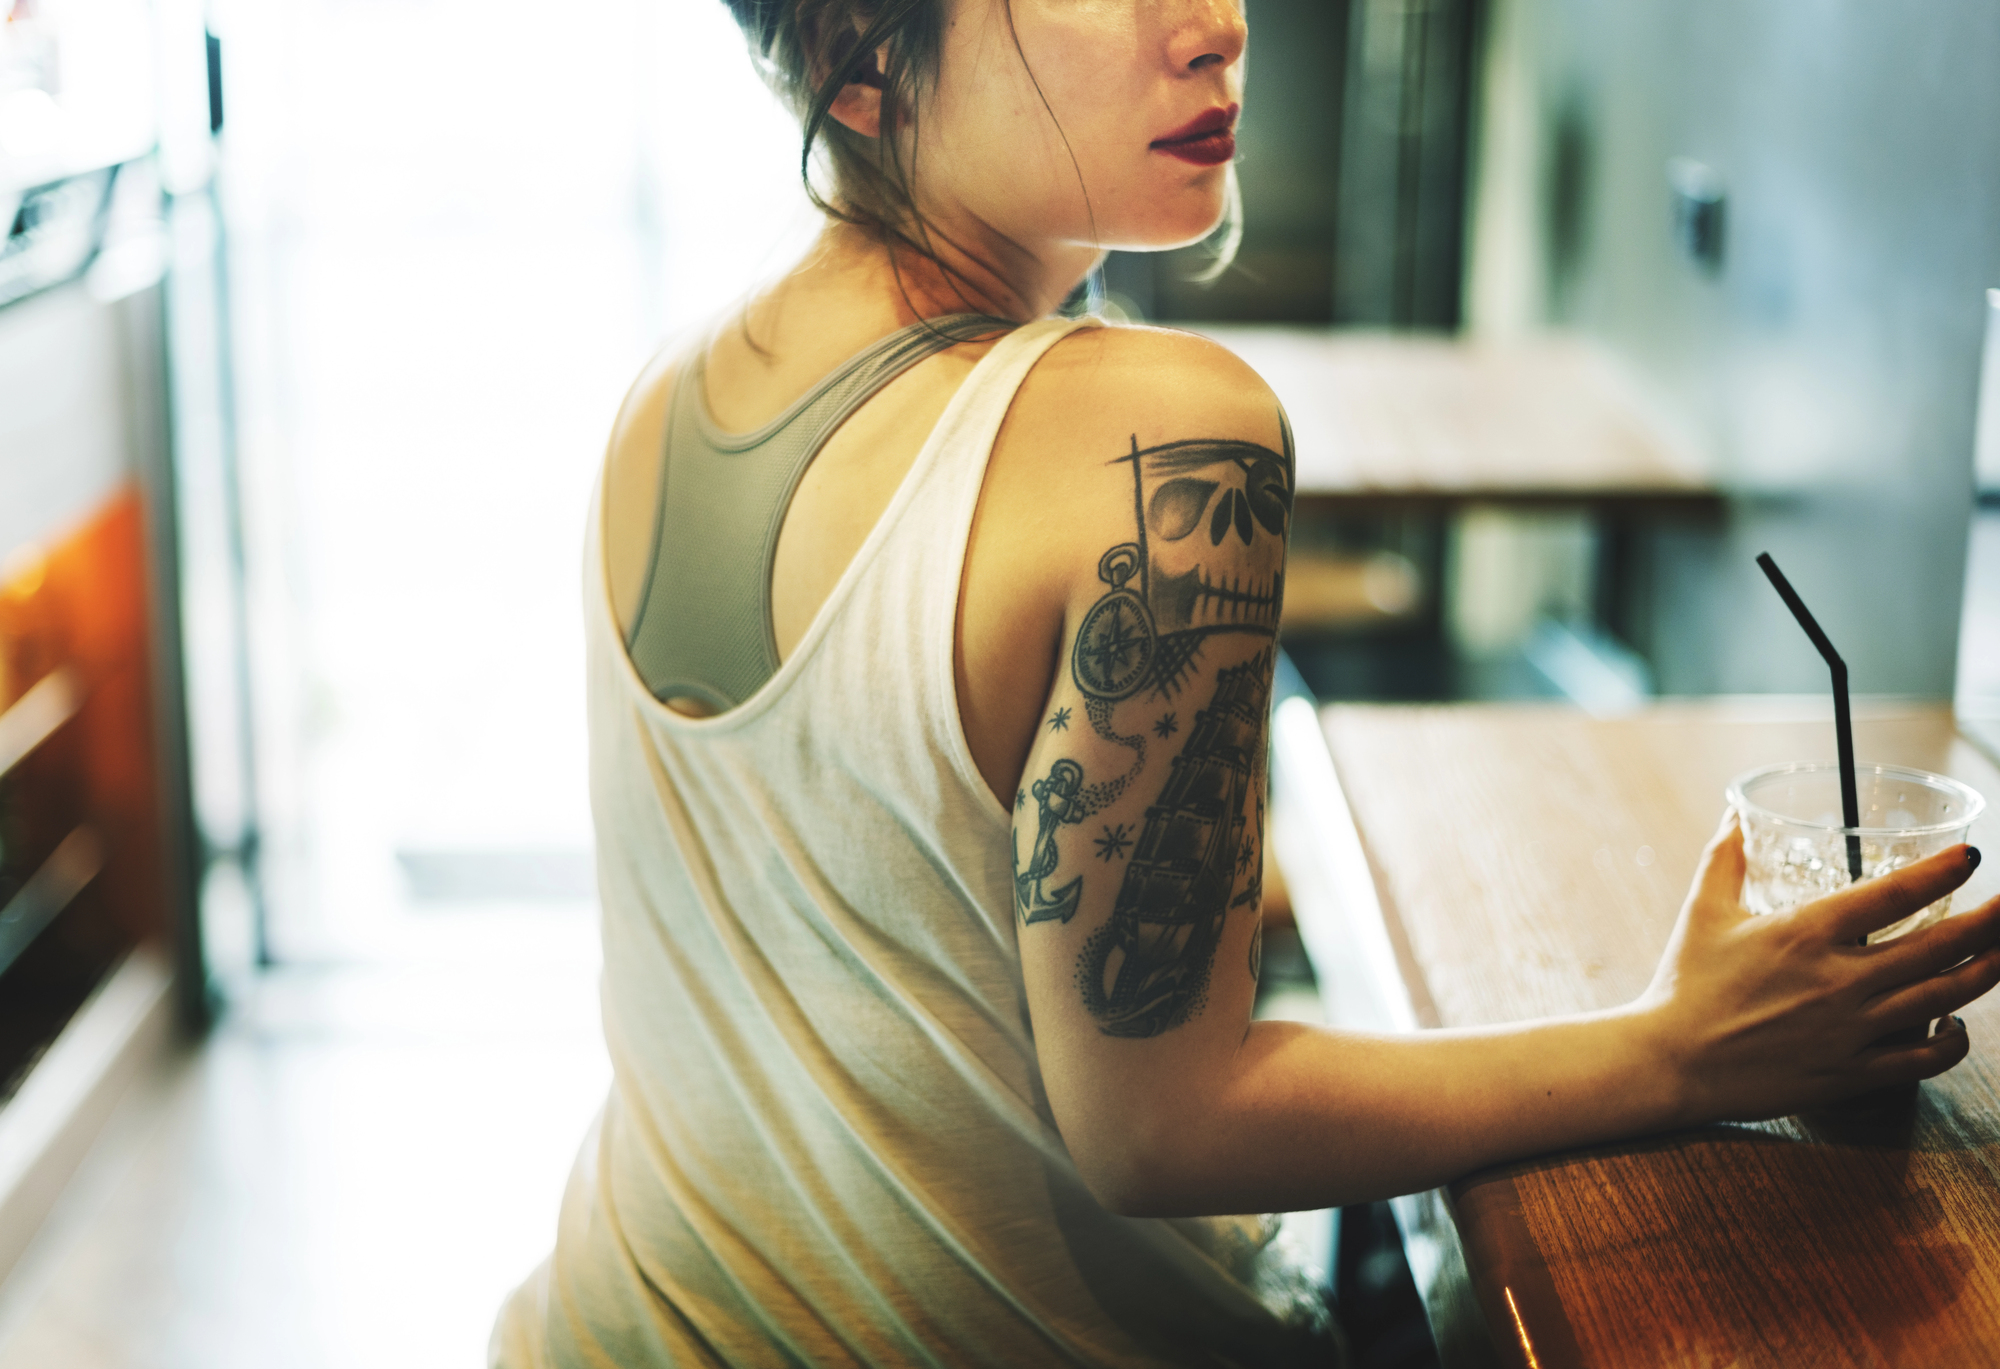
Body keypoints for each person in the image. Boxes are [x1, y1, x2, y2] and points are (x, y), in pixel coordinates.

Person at [492, 0, 2000, 1363]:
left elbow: (877, 879)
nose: (1216, 26)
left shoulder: (661, 395)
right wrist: (1681, 1044)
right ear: (859, 61)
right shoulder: (1160, 433)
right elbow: (1164, 1125)